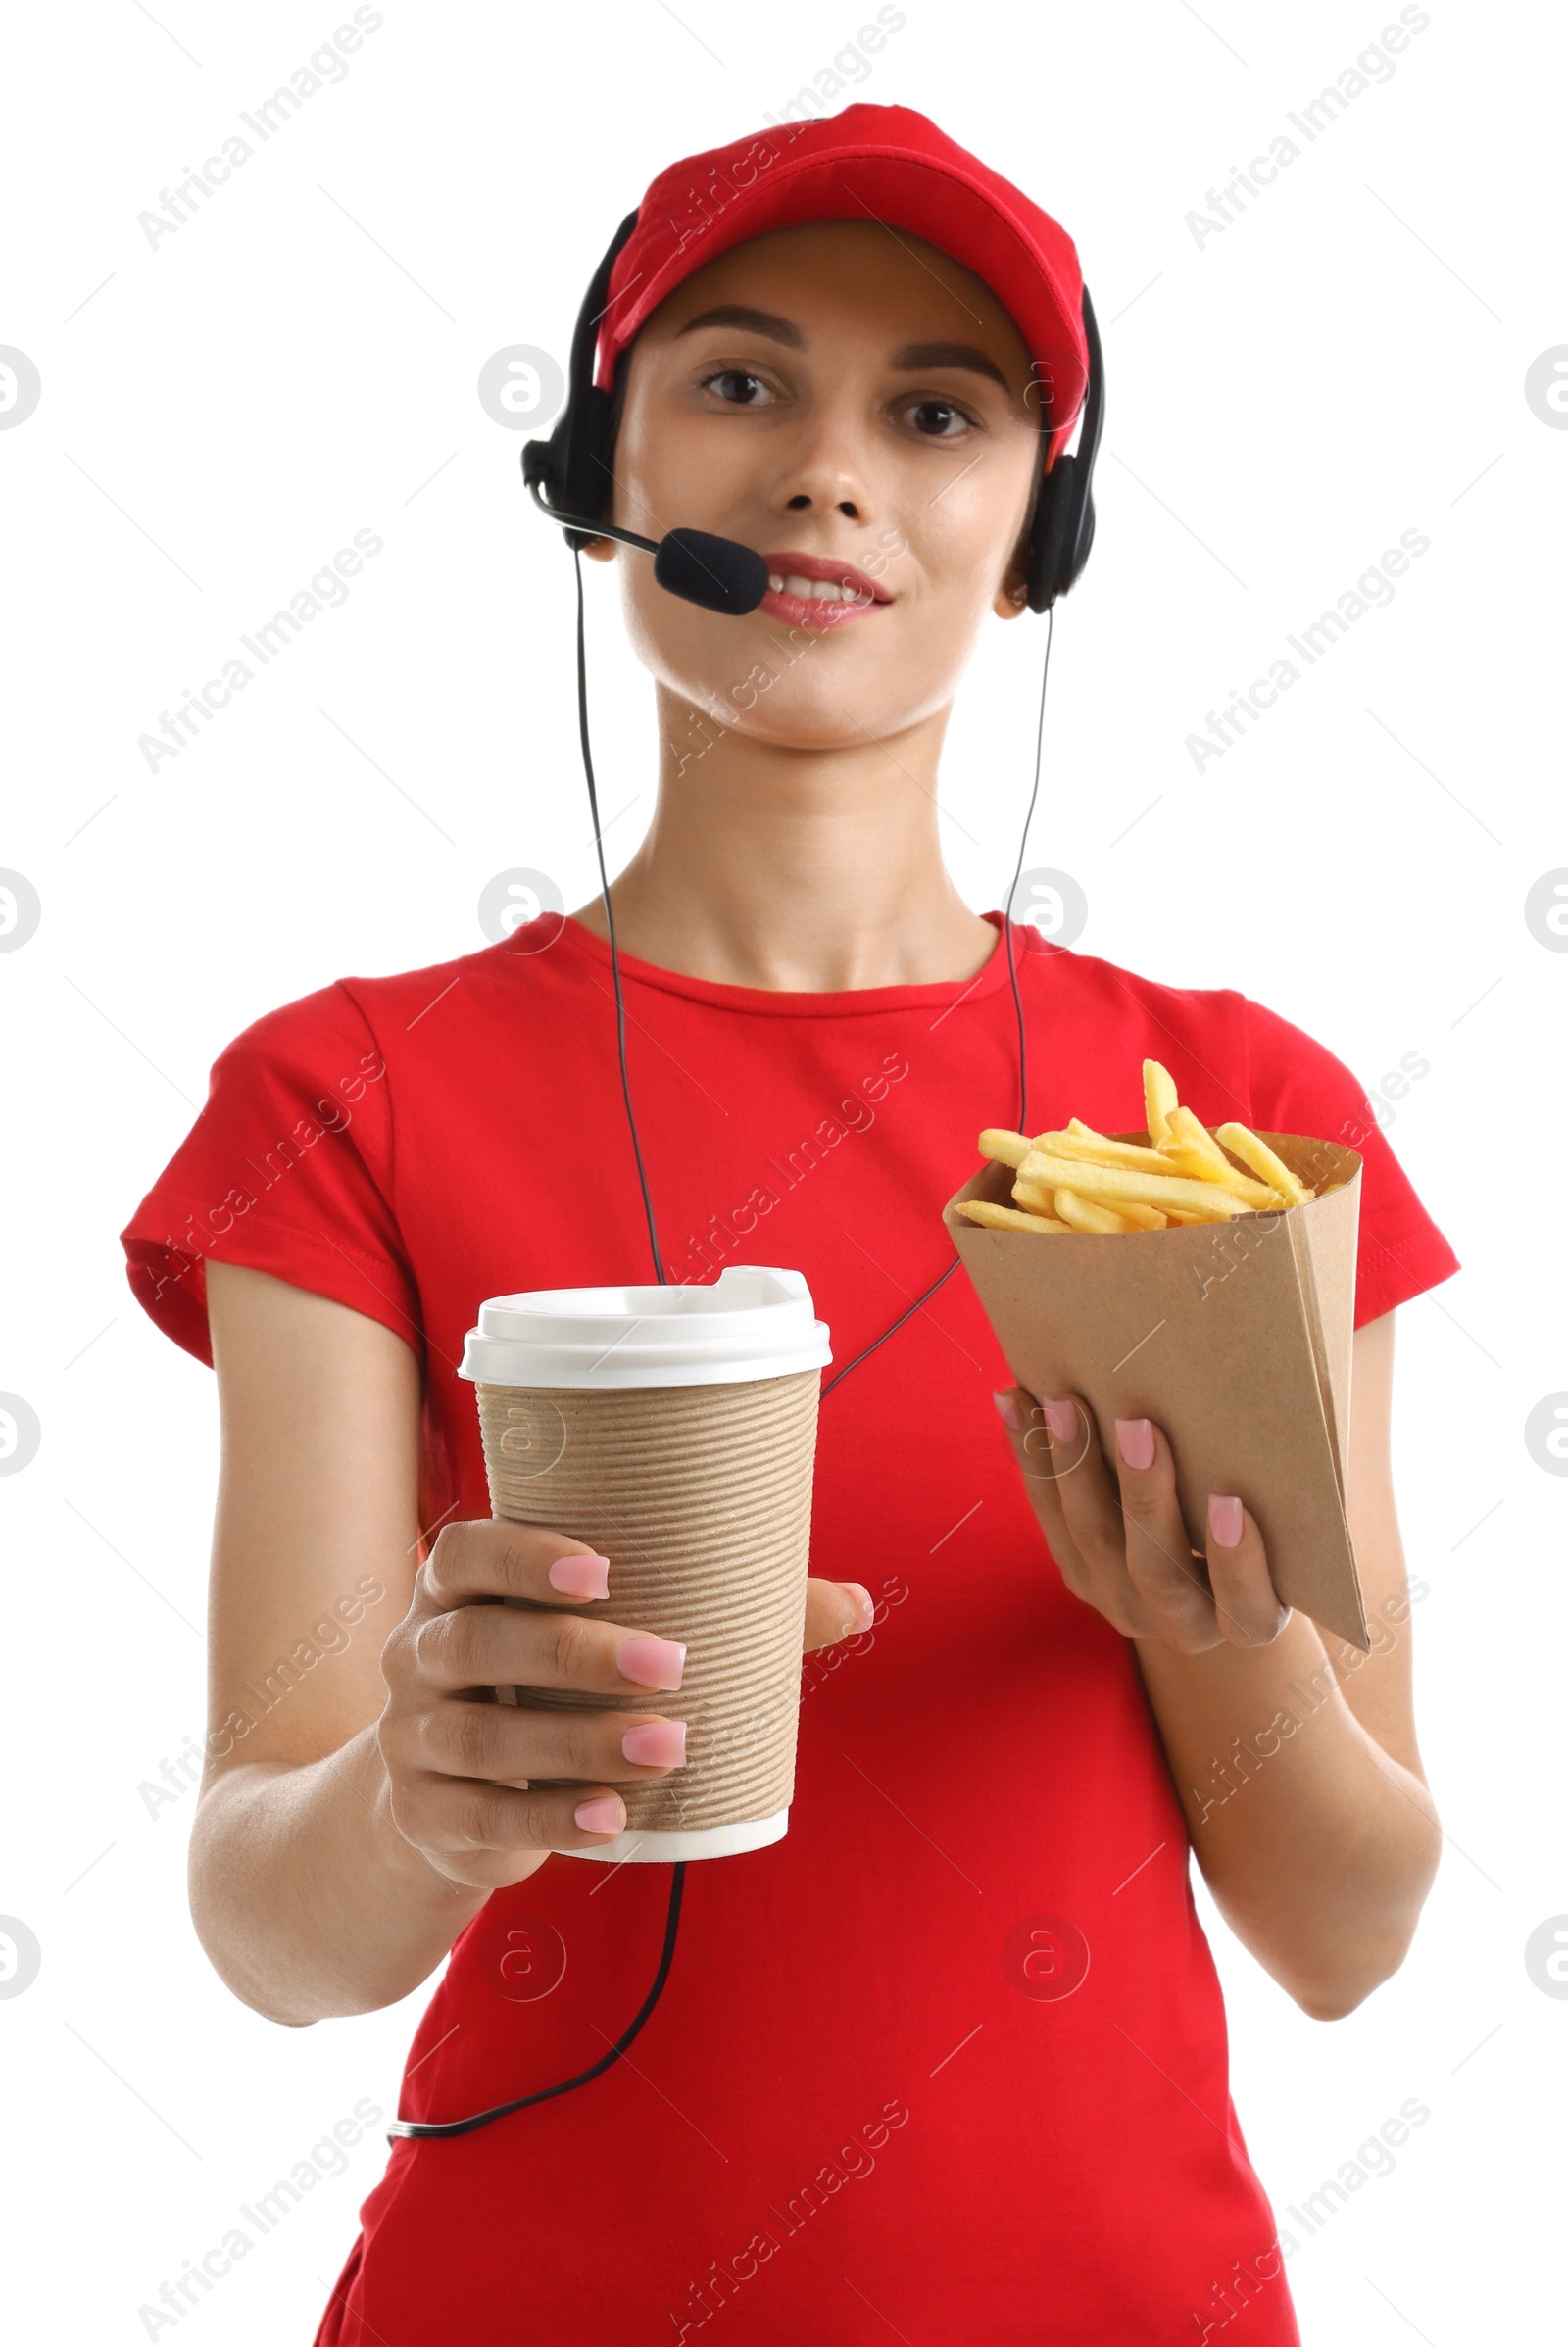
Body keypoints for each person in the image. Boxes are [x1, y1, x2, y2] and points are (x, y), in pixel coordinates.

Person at [121, 105, 1457, 2347]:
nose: (826, 472)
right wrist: (424, 1797)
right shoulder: (338, 1096)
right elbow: (272, 1929)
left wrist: (1206, 1629)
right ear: (593, 475)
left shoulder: (1238, 1124)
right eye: (737, 382)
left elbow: (1350, 1928)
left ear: (1040, 529)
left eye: (935, 411)